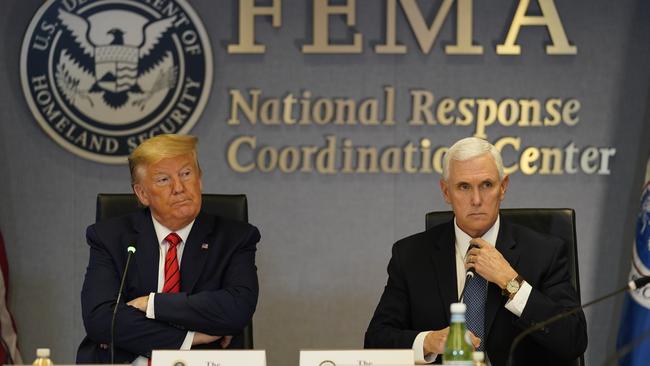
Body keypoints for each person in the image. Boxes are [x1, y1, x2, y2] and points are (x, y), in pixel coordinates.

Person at [364, 137, 587, 365]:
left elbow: (573, 338)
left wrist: (511, 282)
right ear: (446, 191)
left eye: (487, 185)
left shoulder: (544, 252)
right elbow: (376, 340)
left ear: (503, 187)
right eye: (464, 187)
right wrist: (430, 341)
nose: (476, 199)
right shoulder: (411, 256)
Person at [77, 134, 261, 364]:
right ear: (142, 194)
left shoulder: (235, 238)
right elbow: (102, 320)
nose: (179, 188)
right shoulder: (110, 237)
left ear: (200, 179)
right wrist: (191, 337)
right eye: (164, 180)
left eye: (186, 174)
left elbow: (236, 309)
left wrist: (151, 304)